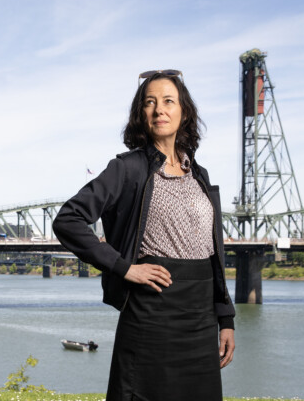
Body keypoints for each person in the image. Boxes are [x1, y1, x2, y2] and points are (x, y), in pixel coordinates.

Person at [52, 70, 235, 400]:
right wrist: (124, 267)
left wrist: (226, 319)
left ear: (184, 111)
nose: (159, 109)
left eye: (168, 101)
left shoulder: (200, 175)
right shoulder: (128, 168)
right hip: (151, 315)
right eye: (149, 102)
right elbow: (68, 220)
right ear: (141, 114)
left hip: (200, 320)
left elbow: (213, 252)